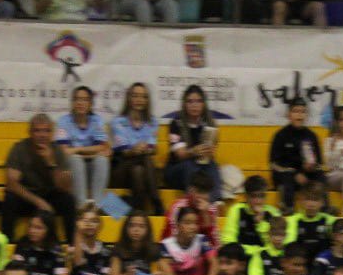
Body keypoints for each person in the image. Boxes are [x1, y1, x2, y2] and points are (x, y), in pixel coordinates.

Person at [3, 113, 78, 242]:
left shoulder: (57, 151)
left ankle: (72, 245)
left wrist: (51, 164)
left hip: (50, 195)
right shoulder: (19, 149)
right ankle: (7, 243)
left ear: (52, 133)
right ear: (30, 132)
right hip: (27, 196)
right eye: (37, 130)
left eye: (46, 131)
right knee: (9, 198)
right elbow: (12, 184)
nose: (42, 135)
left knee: (68, 200)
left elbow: (65, 187)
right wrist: (39, 202)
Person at [110, 83, 163, 216]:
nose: (139, 100)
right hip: (120, 168)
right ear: (129, 98)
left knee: (138, 171)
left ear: (147, 100)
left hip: (140, 168)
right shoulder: (118, 122)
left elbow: (152, 147)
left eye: (143, 97)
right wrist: (136, 150)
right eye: (135, 96)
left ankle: (136, 212)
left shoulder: (152, 122)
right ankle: (156, 199)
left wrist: (144, 149)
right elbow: (123, 151)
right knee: (143, 159)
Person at [56, 85, 111, 209]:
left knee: (102, 160)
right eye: (77, 99)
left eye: (85, 100)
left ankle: (96, 205)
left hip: (92, 167)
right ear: (72, 103)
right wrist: (92, 152)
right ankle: (81, 206)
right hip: (70, 170)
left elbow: (103, 148)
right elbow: (63, 152)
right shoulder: (64, 121)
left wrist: (77, 149)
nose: (80, 103)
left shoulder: (97, 120)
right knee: (75, 160)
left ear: (90, 104)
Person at [165, 85, 222, 200]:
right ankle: (193, 202)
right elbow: (180, 155)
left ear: (203, 104)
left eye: (198, 101)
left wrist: (209, 151)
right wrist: (193, 151)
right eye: (190, 101)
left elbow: (209, 155)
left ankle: (215, 201)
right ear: (184, 104)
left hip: (200, 169)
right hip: (176, 171)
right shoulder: (176, 124)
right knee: (189, 165)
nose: (194, 105)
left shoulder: (209, 124)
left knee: (212, 165)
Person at [269, 98, 324, 212]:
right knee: (287, 176)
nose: (299, 115)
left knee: (320, 175)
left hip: (306, 175)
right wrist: (295, 173)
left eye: (303, 111)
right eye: (296, 111)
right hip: (286, 174)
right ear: (289, 114)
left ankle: (324, 208)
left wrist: (311, 167)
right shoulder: (280, 135)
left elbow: (319, 162)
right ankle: (288, 208)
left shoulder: (311, 136)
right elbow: (275, 163)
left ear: (306, 115)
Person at [221, 174, 282, 257]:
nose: (258, 201)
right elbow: (228, 241)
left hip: (264, 260)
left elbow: (275, 247)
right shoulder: (236, 210)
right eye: (253, 196)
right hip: (241, 257)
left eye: (261, 196)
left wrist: (261, 224)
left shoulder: (273, 213)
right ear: (246, 197)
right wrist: (256, 251)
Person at [161, 170, 219, 243]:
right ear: (190, 191)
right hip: (175, 250)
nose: (202, 197)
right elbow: (171, 239)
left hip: (200, 251)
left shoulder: (211, 209)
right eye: (199, 192)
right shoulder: (177, 207)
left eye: (206, 192)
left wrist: (205, 216)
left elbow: (214, 245)